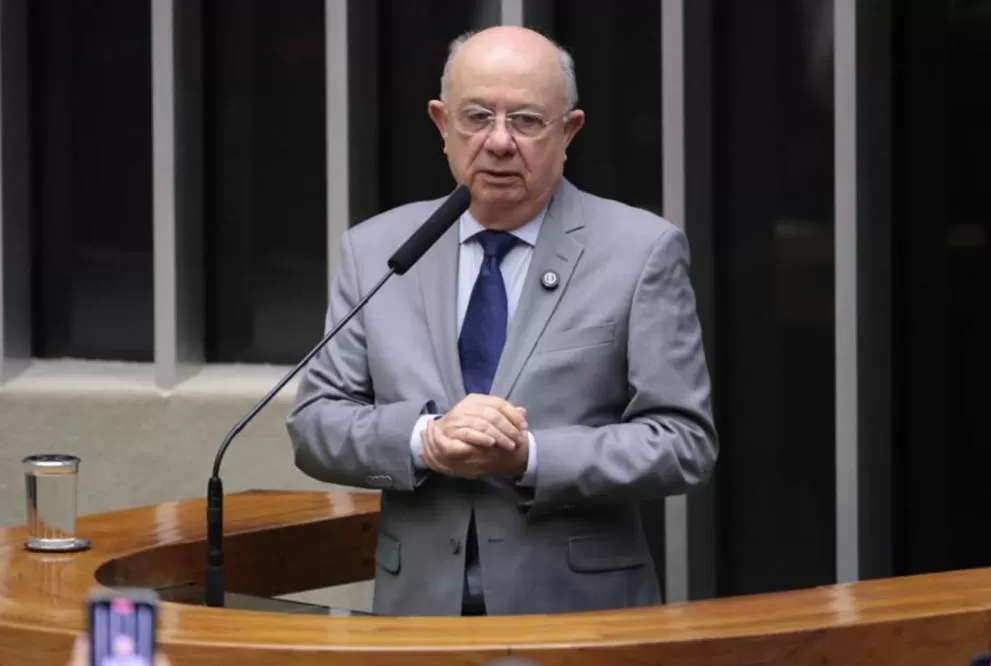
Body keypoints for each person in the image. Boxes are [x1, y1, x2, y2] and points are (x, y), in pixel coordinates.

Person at [286, 25, 717, 617]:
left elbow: (683, 442)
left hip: (577, 613)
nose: (498, 142)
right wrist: (424, 441)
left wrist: (530, 456)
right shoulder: (379, 250)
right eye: (477, 116)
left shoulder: (641, 250)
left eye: (527, 121)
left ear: (569, 132)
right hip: (419, 613)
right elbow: (315, 424)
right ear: (441, 124)